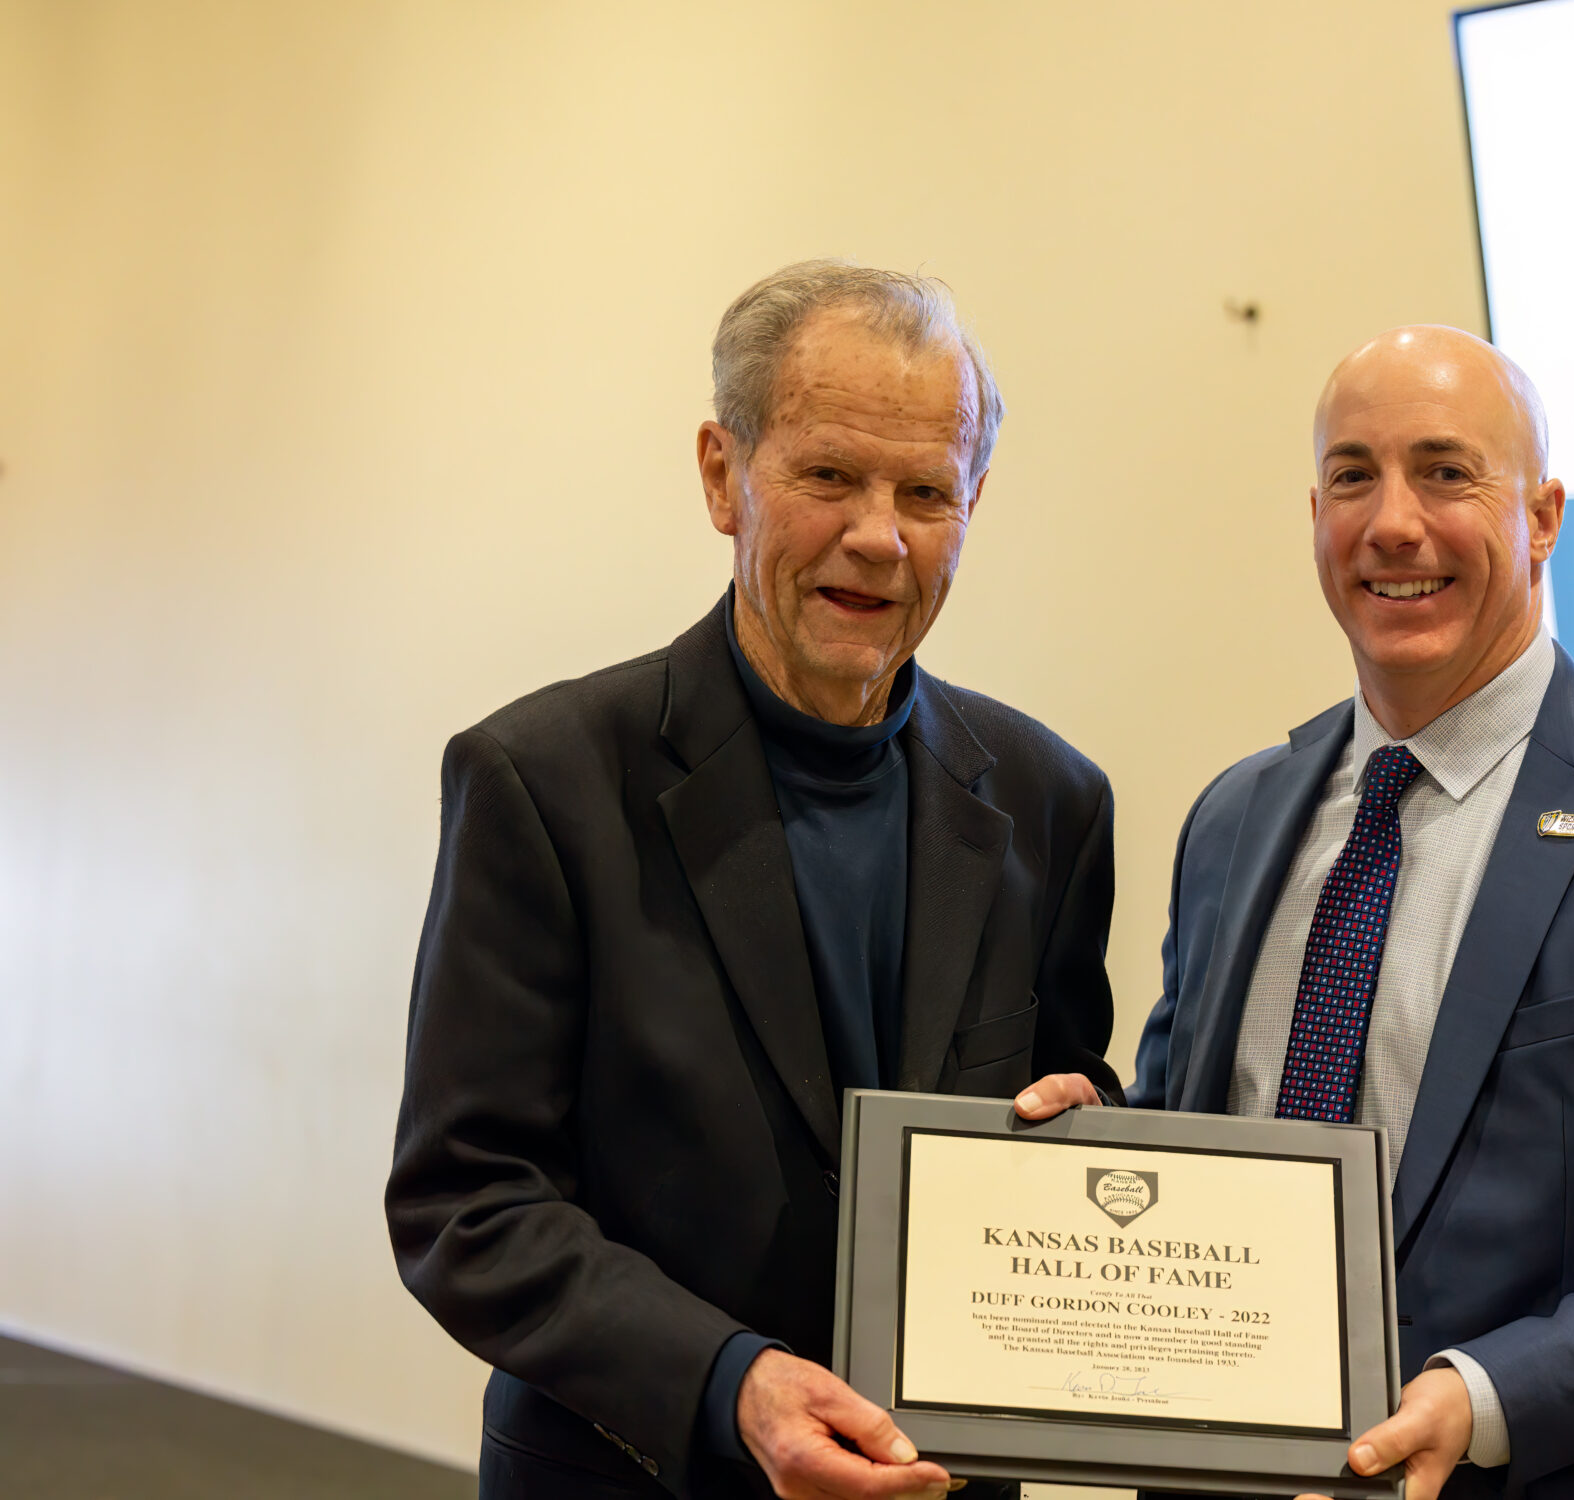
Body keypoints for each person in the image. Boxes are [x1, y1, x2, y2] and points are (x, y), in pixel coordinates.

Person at [1020, 325, 1574, 1500]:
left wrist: (1489, 1393)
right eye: (1353, 476)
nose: (1393, 523)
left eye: (1446, 472)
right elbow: (1207, 1128)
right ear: (1315, 514)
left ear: (1542, 516)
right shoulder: (1234, 818)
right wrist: (1103, 1136)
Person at [390, 261, 1119, 1500]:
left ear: (972, 504)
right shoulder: (543, 782)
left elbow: (1064, 1094)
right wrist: (730, 1383)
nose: (878, 537)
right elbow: (468, 1202)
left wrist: (1087, 1128)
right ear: (723, 475)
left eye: (926, 491)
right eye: (829, 474)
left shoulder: (1053, 800)